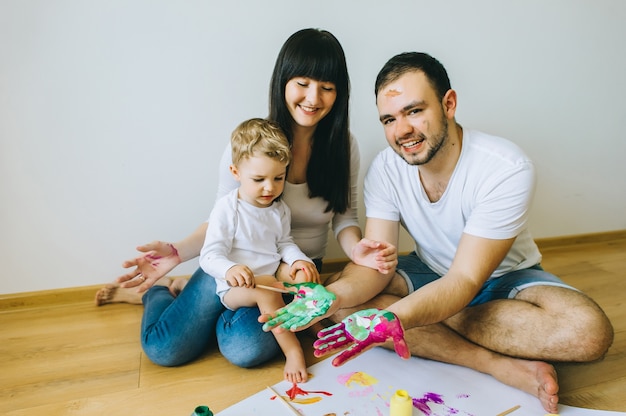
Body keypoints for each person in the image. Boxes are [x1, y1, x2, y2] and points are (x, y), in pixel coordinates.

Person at [260, 52, 615, 413]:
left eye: (414, 111)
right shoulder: (385, 168)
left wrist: (399, 316)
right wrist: (331, 298)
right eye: (389, 119)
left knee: (588, 333)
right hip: (428, 271)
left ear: (449, 104)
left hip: (504, 278)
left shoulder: (506, 167)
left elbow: (464, 278)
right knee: (343, 305)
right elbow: (375, 264)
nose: (402, 131)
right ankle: (494, 363)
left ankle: (428, 314)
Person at [95, 28, 396, 369]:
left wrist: (354, 249)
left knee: (245, 350)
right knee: (165, 350)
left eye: (326, 88)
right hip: (234, 265)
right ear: (283, 81)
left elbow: (345, 216)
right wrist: (178, 252)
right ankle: (162, 292)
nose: (313, 98)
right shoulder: (251, 146)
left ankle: (200, 302)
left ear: (339, 93)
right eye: (303, 83)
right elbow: (222, 218)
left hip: (292, 272)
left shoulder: (344, 146)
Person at [201, 117, 320, 383]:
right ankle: (294, 352)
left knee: (304, 276)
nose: (270, 187)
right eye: (259, 179)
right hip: (235, 288)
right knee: (267, 289)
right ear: (236, 173)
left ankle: (308, 322)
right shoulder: (227, 209)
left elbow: (284, 243)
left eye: (279, 178)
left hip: (272, 277)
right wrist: (230, 268)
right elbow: (209, 256)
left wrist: (299, 261)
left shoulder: (279, 209)